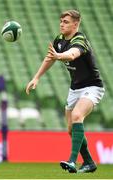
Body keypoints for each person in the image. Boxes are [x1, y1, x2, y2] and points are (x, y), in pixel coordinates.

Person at [26, 10, 105, 173]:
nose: (62, 24)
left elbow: (72, 54)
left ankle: (72, 161)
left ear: (76, 24)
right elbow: (50, 58)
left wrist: (59, 55)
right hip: (75, 88)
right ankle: (89, 162)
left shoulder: (80, 40)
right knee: (71, 128)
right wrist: (36, 77)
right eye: (61, 20)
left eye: (66, 21)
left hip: (92, 86)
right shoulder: (60, 39)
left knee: (77, 116)